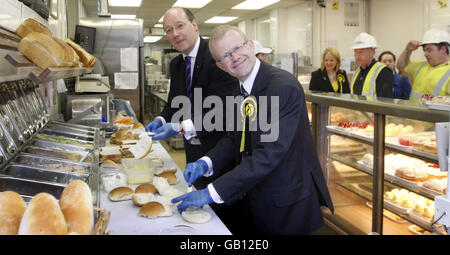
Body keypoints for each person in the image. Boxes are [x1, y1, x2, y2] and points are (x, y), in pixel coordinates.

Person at [171, 25, 334, 235]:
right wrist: (206, 162)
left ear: (250, 45)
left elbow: (268, 154)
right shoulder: (237, 90)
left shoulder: (282, 86)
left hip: (286, 203)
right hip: (256, 198)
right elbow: (234, 139)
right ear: (221, 66)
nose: (235, 57)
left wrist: (212, 192)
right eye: (226, 56)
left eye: (237, 48)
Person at [145, 7, 239, 190]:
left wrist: (180, 127)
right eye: (169, 30)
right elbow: (174, 103)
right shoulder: (177, 64)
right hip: (193, 149)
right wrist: (161, 119)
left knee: (221, 210)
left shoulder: (216, 58)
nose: (175, 34)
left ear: (194, 25)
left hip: (219, 151)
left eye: (180, 26)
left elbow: (222, 112)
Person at [397, 28, 450, 99]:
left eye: (429, 50)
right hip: (413, 109)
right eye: (424, 51)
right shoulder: (422, 66)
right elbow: (401, 66)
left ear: (443, 49)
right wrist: (408, 50)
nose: (425, 54)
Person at [350, 32, 394, 98]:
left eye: (361, 52)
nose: (357, 56)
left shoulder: (384, 72)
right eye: (355, 52)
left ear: (372, 52)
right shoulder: (357, 72)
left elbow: (385, 104)